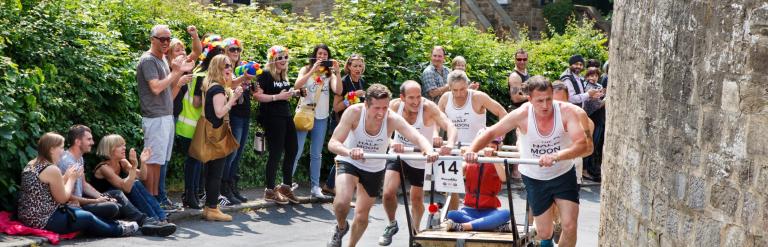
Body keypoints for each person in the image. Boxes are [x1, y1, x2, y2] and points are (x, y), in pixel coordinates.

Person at [464, 76, 593, 247]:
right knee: (544, 232)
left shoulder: (566, 112)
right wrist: (472, 151)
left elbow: (582, 144)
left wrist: (556, 156)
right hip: (534, 177)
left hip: (562, 173)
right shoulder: (522, 114)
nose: (546, 105)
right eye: (540, 101)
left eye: (548, 99)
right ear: (530, 99)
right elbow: (490, 133)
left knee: (569, 225)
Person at [326, 84, 440, 247]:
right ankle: (341, 227)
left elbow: (417, 137)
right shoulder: (354, 112)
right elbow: (333, 143)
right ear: (366, 104)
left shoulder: (392, 118)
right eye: (376, 108)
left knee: (362, 216)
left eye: (385, 108)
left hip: (373, 167)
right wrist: (349, 151)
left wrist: (429, 150)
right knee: (342, 202)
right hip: (349, 160)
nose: (381, 113)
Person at [58, 125, 176, 236]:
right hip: (79, 204)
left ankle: (158, 219)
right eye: (89, 139)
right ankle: (149, 221)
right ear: (78, 142)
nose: (92, 143)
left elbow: (84, 185)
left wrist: (143, 161)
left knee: (133, 185)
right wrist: (96, 200)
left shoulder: (79, 159)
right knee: (119, 197)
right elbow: (126, 187)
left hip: (100, 198)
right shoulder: (72, 163)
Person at [378, 80, 457, 246]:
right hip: (400, 155)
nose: (415, 102)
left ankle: (415, 233)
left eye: (418, 97)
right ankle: (392, 224)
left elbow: (449, 125)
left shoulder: (427, 107)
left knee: (416, 198)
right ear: (402, 98)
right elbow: (382, 132)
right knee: (387, 192)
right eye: (411, 98)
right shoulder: (393, 106)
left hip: (422, 157)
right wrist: (392, 143)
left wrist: (449, 144)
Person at [18, 132, 139, 237]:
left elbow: (50, 189)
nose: (62, 151)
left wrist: (65, 177)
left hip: (30, 216)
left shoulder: (32, 163)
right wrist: (71, 178)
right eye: (61, 147)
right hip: (43, 219)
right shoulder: (51, 169)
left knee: (87, 214)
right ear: (51, 149)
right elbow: (62, 198)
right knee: (87, 218)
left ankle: (116, 224)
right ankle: (118, 230)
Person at [136, 25, 194, 208]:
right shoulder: (148, 60)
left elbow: (168, 94)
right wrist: (176, 72)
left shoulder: (161, 60)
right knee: (153, 162)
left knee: (159, 162)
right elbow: (156, 88)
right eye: (163, 39)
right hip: (155, 117)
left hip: (166, 116)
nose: (166, 43)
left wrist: (179, 79)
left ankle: (155, 201)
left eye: (169, 39)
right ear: (152, 39)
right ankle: (151, 203)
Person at [175, 37, 224, 209]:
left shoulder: (199, 72)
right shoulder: (202, 75)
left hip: (191, 125)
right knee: (193, 162)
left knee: (196, 162)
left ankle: (192, 195)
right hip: (191, 125)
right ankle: (190, 196)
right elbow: (196, 102)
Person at [196, 54, 244, 221]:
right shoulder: (217, 88)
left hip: (211, 133)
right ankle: (212, 208)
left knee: (210, 172)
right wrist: (234, 98)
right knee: (216, 173)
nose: (230, 69)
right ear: (217, 68)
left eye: (230, 66)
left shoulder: (212, 85)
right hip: (216, 134)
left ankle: (209, 208)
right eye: (226, 66)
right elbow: (219, 112)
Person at [292, 44, 342, 199]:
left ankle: (315, 187)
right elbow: (297, 85)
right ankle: (287, 183)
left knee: (316, 154)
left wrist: (338, 73)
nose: (322, 57)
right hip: (304, 114)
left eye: (325, 54)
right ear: (314, 55)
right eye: (319, 54)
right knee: (297, 151)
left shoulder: (330, 74)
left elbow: (338, 90)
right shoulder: (305, 69)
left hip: (321, 117)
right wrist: (313, 70)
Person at [253, 45, 302, 204]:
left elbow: (283, 95)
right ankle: (270, 189)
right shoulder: (266, 74)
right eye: (279, 58)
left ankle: (286, 187)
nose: (283, 60)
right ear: (272, 60)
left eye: (285, 57)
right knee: (276, 152)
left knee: (293, 148)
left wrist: (294, 93)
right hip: (272, 117)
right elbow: (258, 96)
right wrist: (277, 97)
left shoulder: (283, 75)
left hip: (286, 115)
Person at [91, 135, 171, 224]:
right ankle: (153, 219)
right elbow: (126, 188)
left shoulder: (122, 162)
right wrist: (134, 166)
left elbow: (142, 177)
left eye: (124, 145)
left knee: (136, 183)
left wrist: (143, 162)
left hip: (120, 198)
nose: (124, 148)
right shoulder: (104, 168)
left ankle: (162, 217)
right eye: (120, 146)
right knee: (132, 184)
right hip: (105, 201)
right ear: (110, 149)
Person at [443, 131, 511, 232]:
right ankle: (491, 225)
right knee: (451, 214)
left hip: (490, 211)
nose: (489, 148)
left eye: (493, 145)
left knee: (507, 213)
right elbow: (456, 174)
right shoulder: (470, 160)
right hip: (468, 210)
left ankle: (464, 226)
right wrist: (464, 157)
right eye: (485, 144)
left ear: (497, 147)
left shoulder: (498, 162)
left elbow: (504, 178)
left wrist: (493, 157)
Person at [221, 37, 255, 205]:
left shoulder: (242, 68)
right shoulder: (226, 68)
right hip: (233, 114)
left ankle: (232, 186)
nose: (235, 52)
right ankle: (224, 188)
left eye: (238, 50)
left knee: (238, 153)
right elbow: (228, 85)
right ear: (225, 51)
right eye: (232, 49)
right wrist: (244, 78)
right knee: (231, 153)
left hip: (244, 113)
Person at [326, 54, 367, 195]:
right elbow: (336, 107)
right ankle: (331, 185)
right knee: (343, 154)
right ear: (348, 67)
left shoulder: (361, 81)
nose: (358, 69)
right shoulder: (343, 82)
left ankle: (332, 185)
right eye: (355, 66)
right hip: (339, 122)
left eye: (360, 66)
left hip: (354, 123)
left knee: (347, 154)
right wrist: (353, 96)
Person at [438, 70, 507, 146]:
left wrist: (500, 137)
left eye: (462, 89)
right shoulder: (445, 98)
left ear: (467, 85)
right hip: (453, 149)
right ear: (449, 87)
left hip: (477, 149)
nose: (459, 94)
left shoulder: (478, 97)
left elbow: (502, 113)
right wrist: (435, 136)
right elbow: (435, 120)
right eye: (455, 90)